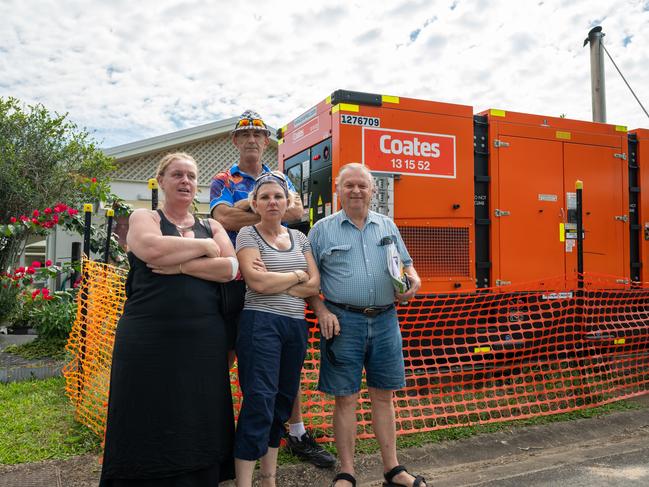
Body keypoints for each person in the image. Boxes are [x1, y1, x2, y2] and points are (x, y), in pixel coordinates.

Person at [99, 152, 238, 487]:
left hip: (203, 340)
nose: (185, 181)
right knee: (144, 408)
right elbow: (150, 249)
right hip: (148, 337)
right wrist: (205, 248)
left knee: (197, 410)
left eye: (191, 176)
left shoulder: (213, 224)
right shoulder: (143, 217)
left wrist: (180, 266)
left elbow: (231, 268)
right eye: (177, 175)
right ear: (161, 180)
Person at [210, 110, 335, 468]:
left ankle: (295, 432)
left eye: (259, 134)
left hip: (278, 281)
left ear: (267, 141)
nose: (252, 139)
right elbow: (222, 218)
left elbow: (298, 214)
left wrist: (253, 208)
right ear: (235, 141)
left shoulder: (279, 177)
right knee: (226, 358)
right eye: (245, 134)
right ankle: (217, 434)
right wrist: (272, 213)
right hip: (234, 281)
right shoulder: (222, 179)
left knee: (284, 367)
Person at [307, 163, 427, 487]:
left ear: (372, 190)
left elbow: (407, 266)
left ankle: (392, 469)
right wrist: (321, 311)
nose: (357, 191)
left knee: (384, 397)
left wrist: (413, 282)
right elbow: (308, 281)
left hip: (387, 320)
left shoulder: (386, 225)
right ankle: (347, 471)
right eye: (350, 186)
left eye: (363, 185)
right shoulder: (321, 230)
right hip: (343, 322)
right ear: (338, 189)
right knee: (345, 398)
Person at [234, 172, 320, 486]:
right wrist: (297, 273)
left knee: (281, 404)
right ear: (255, 204)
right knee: (259, 400)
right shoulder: (247, 235)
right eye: (265, 197)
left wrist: (281, 280)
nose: (272, 202)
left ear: (287, 203)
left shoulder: (300, 238)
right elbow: (257, 282)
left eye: (278, 197)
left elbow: (315, 283)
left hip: (295, 327)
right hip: (261, 324)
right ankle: (244, 483)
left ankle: (269, 480)